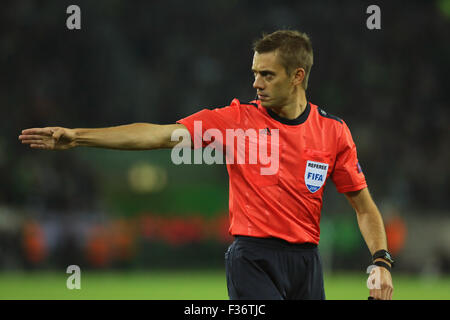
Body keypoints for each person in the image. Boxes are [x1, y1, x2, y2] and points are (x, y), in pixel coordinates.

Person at [18, 30, 394, 300]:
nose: (256, 83)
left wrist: (381, 260)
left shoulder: (333, 132)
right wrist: (79, 136)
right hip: (253, 259)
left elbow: (363, 206)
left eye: (267, 74)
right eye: (254, 73)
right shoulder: (235, 121)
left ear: (298, 77)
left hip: (306, 263)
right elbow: (159, 135)